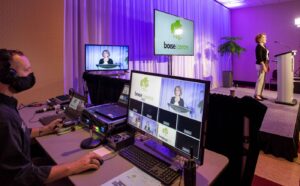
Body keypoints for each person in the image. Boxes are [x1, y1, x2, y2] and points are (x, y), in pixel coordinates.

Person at [0, 49, 103, 186]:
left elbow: (18, 133)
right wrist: (75, 165)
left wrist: (45, 129)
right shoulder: (4, 117)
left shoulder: (7, 104)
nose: (31, 75)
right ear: (9, 75)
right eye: (27, 70)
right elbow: (21, 177)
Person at [254, 33, 269, 101]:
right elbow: (259, 58)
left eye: (265, 37)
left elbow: (266, 56)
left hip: (264, 64)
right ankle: (257, 95)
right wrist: (264, 66)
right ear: (260, 39)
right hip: (260, 65)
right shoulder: (258, 47)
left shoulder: (264, 46)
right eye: (264, 37)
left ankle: (260, 94)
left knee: (263, 81)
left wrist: (267, 65)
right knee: (260, 80)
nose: (265, 38)